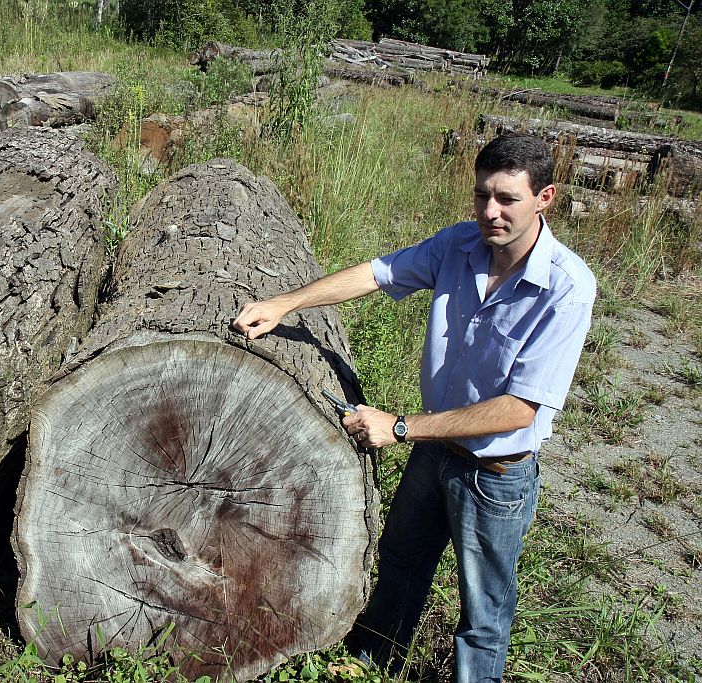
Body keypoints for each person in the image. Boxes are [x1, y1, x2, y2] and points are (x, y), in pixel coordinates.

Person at [232, 134, 595, 683]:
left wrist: (400, 428)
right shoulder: (458, 245)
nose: (489, 212)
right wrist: (286, 303)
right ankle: (371, 665)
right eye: (481, 196)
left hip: (494, 475)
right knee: (401, 565)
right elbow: (377, 274)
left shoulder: (566, 289)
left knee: (483, 616)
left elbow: (520, 410)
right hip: (432, 454)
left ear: (545, 197)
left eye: (506, 199)